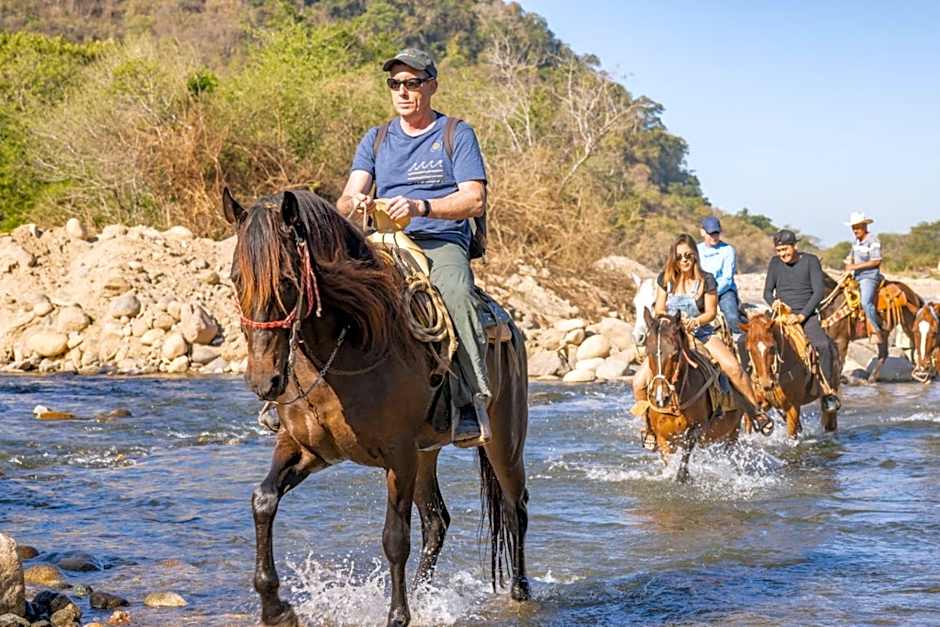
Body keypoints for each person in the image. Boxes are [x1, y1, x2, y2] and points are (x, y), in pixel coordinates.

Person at [337, 48, 489, 445]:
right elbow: (347, 197)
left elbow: (474, 200)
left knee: (455, 292)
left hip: (440, 238)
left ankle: (471, 401)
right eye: (395, 84)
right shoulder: (376, 138)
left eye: (412, 83)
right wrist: (358, 203)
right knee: (331, 286)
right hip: (385, 239)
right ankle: (301, 395)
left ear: (432, 86)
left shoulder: (457, 133)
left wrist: (422, 206)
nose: (403, 92)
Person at [633, 234, 773, 448]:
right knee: (639, 382)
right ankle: (648, 427)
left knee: (733, 368)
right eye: (679, 256)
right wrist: (669, 321)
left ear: (695, 257)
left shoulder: (706, 280)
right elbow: (659, 308)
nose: (684, 260)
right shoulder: (665, 279)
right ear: (674, 258)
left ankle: (755, 412)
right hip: (671, 334)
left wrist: (695, 321)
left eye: (688, 256)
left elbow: (710, 312)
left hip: (700, 332)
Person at [763, 229, 841, 411]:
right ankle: (757, 388)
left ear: (795, 246)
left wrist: (802, 315)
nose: (783, 254)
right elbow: (767, 292)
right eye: (779, 251)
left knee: (823, 346)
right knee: (754, 342)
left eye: (786, 250)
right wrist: (773, 302)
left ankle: (827, 392)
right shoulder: (774, 263)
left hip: (805, 315)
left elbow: (818, 292)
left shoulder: (811, 261)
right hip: (781, 316)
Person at [843, 212, 883, 344]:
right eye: (853, 227)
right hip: (857, 276)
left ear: (865, 226)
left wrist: (854, 266)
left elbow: (876, 261)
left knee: (866, 302)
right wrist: (848, 263)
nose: (855, 230)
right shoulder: (855, 242)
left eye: (858, 227)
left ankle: (875, 330)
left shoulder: (873, 240)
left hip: (869, 276)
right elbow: (850, 257)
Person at [697, 216, 741, 335]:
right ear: (702, 232)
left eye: (716, 233)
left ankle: (739, 341)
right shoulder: (696, 250)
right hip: (700, 291)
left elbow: (727, 279)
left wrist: (711, 293)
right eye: (710, 234)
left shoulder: (727, 250)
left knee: (732, 318)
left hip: (724, 292)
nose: (714, 237)